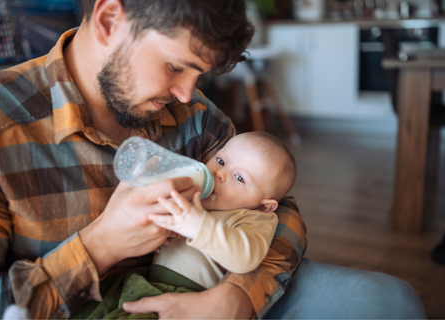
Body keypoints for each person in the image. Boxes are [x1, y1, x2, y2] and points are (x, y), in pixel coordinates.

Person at [0, 0, 426, 319]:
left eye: (198, 74)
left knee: (394, 303)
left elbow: (277, 208)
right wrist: (101, 245)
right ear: (109, 19)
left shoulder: (193, 115)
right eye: (176, 66)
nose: (186, 93)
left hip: (211, 285)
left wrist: (237, 297)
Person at [71, 131, 296, 318]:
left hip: (187, 296)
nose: (219, 174)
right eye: (220, 161)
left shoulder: (253, 217)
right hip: (142, 280)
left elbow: (247, 257)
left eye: (239, 178)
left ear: (264, 206)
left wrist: (198, 226)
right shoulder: (193, 200)